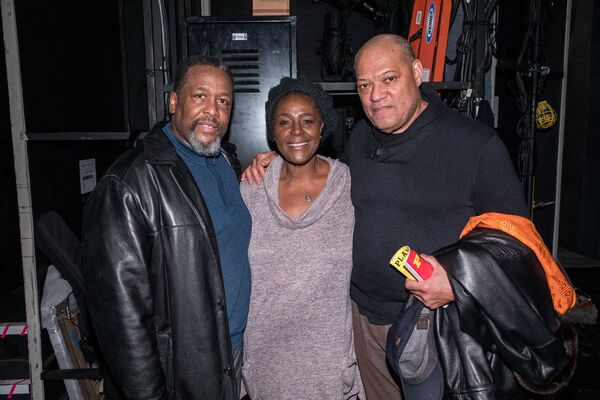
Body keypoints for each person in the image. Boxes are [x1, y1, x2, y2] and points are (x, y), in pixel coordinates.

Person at [241, 34, 530, 399]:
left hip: (434, 323)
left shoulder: (475, 145)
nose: (376, 95)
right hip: (362, 324)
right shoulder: (362, 137)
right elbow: (319, 178)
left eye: (389, 79)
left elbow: (518, 247)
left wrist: (457, 282)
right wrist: (273, 160)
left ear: (417, 72)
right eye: (365, 85)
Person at [82, 55, 251, 400]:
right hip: (184, 373)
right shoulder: (129, 183)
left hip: (236, 356)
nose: (212, 110)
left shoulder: (227, 162)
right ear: (173, 101)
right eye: (200, 96)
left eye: (223, 101)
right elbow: (122, 319)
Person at [240, 77, 364, 399]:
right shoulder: (251, 189)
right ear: (273, 132)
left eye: (307, 120)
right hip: (267, 359)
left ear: (322, 127)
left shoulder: (350, 187)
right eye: (285, 122)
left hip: (328, 361)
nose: (296, 131)